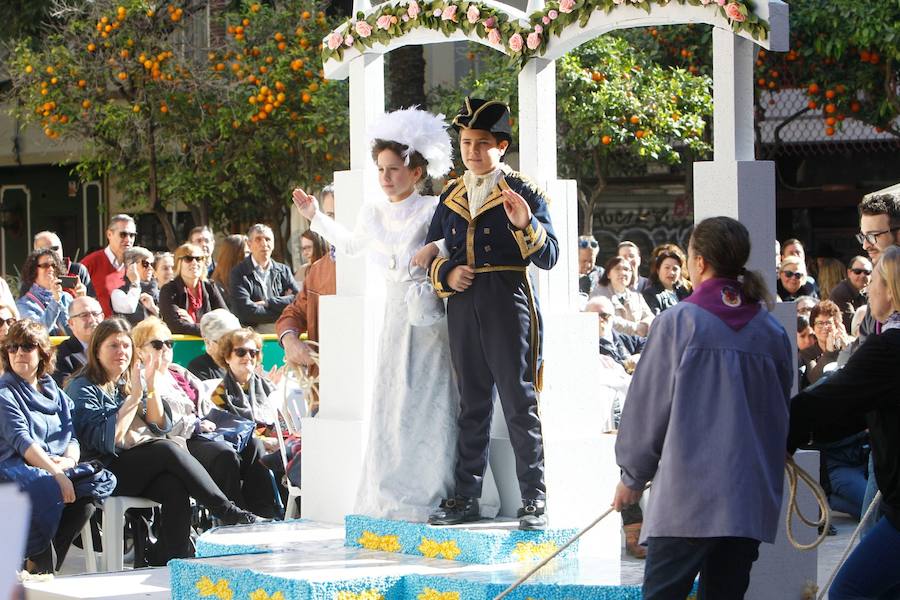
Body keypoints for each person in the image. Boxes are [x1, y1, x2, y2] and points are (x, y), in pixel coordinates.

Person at [292, 106, 498, 522]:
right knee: (393, 402)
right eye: (381, 169)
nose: (386, 177)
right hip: (393, 317)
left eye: (395, 169)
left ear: (416, 171)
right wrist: (316, 217)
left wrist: (436, 253)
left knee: (428, 400)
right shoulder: (372, 212)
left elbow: (451, 243)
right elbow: (351, 246)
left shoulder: (434, 208)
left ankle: (434, 489)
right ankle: (391, 489)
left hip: (428, 317)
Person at [613, 216, 792, 599]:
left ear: (698, 262)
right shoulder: (771, 332)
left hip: (687, 500)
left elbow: (648, 408)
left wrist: (632, 476)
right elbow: (780, 417)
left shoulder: (679, 322)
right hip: (746, 499)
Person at [417, 98, 558, 529]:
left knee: (519, 401)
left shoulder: (525, 192)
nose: (472, 151)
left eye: (482, 143)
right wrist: (447, 273)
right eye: (466, 142)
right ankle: (466, 496)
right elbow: (430, 253)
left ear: (502, 146)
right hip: (462, 305)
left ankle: (534, 499)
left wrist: (524, 224)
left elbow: (549, 256)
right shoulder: (451, 194)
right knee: (471, 404)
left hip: (508, 300)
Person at [66, 318, 260, 565]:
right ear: (96, 350)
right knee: (167, 448)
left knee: (173, 486)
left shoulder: (128, 381)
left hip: (132, 465)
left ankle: (168, 559)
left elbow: (159, 425)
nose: (122, 352)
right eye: (113, 345)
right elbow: (110, 441)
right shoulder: (83, 387)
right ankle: (227, 512)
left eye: (126, 346)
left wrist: (151, 385)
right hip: (102, 469)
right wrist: (135, 397)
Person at [787, 245, 900, 599]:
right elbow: (853, 410)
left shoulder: (890, 347)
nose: (868, 290)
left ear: (892, 289)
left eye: (875, 282)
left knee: (848, 592)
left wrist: (777, 428)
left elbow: (833, 400)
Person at [0, 320, 115, 574]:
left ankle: (39, 565)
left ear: (42, 352)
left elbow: (71, 437)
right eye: (13, 347)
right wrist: (57, 473)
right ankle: (38, 564)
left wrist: (69, 462)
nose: (19, 352)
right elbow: (22, 441)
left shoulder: (55, 392)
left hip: (52, 464)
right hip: (14, 467)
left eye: (27, 346)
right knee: (42, 486)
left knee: (92, 485)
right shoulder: (4, 393)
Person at [133, 318, 276, 518]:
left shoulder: (179, 372)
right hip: (181, 441)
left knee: (254, 445)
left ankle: (267, 512)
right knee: (224, 454)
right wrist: (197, 424)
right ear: (140, 351)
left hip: (208, 433)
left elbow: (207, 408)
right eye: (157, 344)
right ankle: (237, 517)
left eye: (169, 343)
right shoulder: (140, 379)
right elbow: (158, 422)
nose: (165, 348)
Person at [229, 224, 298, 333]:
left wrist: (268, 303)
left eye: (268, 239)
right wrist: (283, 307)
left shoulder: (283, 270)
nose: (264, 244)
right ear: (249, 244)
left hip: (283, 331)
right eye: (258, 239)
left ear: (273, 244)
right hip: (252, 333)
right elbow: (245, 312)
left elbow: (298, 301)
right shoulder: (239, 273)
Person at [159, 243, 227, 337]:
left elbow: (226, 319)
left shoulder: (209, 287)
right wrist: (207, 327)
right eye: (188, 259)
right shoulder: (169, 290)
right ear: (179, 263)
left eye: (198, 259)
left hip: (211, 347)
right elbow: (175, 326)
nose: (194, 262)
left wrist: (193, 324)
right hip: (182, 347)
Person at [80, 214, 136, 316]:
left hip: (128, 329)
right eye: (123, 234)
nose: (128, 240)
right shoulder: (90, 263)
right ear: (109, 234)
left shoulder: (135, 265)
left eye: (132, 235)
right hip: (98, 329)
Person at [17, 249, 78, 336]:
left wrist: (82, 299)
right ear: (33, 270)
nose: (51, 269)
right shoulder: (23, 304)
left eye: (54, 265)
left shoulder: (66, 297)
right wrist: (55, 301)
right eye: (45, 265)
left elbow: (75, 332)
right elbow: (38, 332)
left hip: (70, 349)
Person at [591, 256, 654, 336]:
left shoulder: (636, 296)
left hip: (637, 343)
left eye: (626, 269)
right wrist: (636, 328)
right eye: (617, 269)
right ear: (608, 274)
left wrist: (645, 325)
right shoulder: (598, 294)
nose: (623, 273)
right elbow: (604, 319)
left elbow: (650, 316)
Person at [53, 296, 104, 387]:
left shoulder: (118, 347)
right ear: (71, 323)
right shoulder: (60, 356)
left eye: (95, 314)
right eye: (84, 315)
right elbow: (68, 390)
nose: (92, 320)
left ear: (103, 317)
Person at [799, 299, 852, 387]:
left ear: (837, 325)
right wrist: (829, 352)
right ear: (813, 327)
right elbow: (814, 380)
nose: (825, 327)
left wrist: (847, 349)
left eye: (828, 323)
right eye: (820, 323)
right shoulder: (807, 353)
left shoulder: (848, 346)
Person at [33, 231, 93, 299]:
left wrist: (84, 298)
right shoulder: (31, 275)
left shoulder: (76, 270)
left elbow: (93, 305)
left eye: (54, 248)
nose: (51, 253)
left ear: (62, 249)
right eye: (44, 250)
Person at [111, 247, 159, 327]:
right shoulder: (118, 293)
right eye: (145, 264)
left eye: (152, 265)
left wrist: (153, 309)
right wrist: (135, 282)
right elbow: (129, 307)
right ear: (131, 266)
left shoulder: (157, 292)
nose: (150, 268)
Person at [188, 309, 241, 381]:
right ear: (208, 342)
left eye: (236, 341)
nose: (232, 347)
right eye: (226, 343)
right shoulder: (198, 367)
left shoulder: (242, 361)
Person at [642, 245, 691, 315]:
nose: (671, 272)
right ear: (658, 270)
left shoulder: (684, 291)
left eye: (675, 269)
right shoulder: (650, 294)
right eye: (667, 268)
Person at [829, 255, 871, 332]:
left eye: (867, 272)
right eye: (857, 272)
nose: (862, 275)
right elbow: (851, 324)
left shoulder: (869, 291)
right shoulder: (841, 292)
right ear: (849, 273)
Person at [210, 234, 248, 310]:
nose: (252, 256)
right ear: (234, 255)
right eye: (247, 253)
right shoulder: (216, 286)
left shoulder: (251, 277)